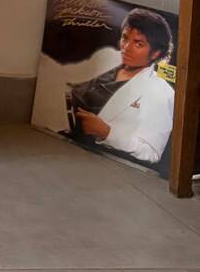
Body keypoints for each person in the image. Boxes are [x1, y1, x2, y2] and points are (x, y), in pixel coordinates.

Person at [67, 8, 176, 165]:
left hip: (105, 164)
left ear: (155, 53)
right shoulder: (106, 62)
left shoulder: (162, 93)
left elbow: (151, 153)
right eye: (125, 38)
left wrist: (107, 133)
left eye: (138, 43)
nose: (126, 47)